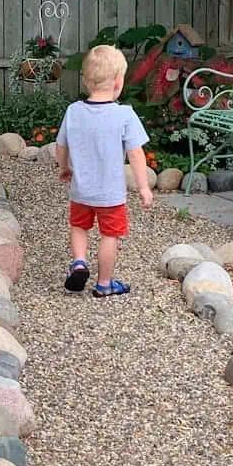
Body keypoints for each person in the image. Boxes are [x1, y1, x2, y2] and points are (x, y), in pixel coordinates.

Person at [56, 44, 153, 297]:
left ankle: (79, 262)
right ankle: (104, 284)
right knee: (110, 235)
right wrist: (143, 187)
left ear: (87, 81)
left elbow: (61, 144)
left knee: (79, 227)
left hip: (81, 191)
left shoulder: (73, 111)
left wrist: (64, 167)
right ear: (119, 82)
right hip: (111, 195)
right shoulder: (124, 114)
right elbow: (135, 153)